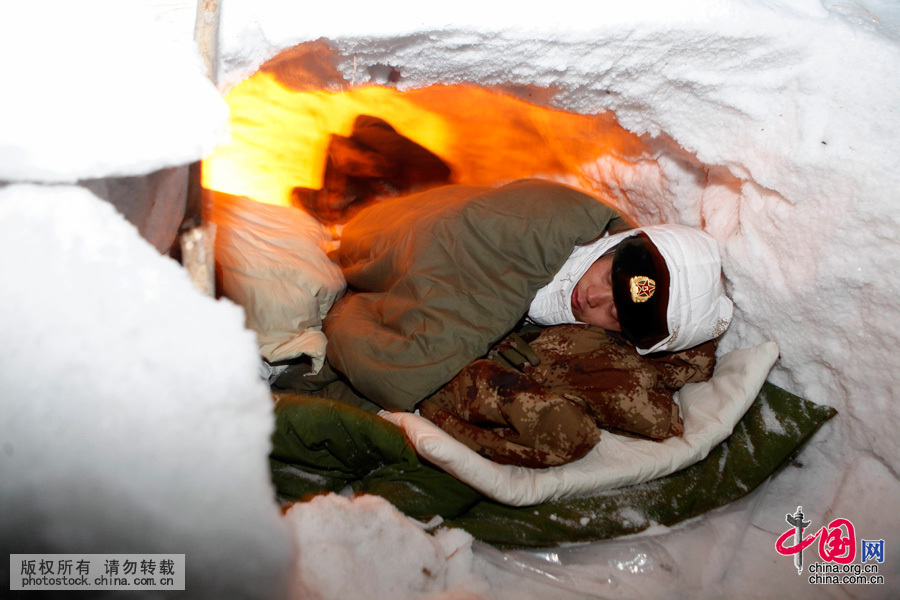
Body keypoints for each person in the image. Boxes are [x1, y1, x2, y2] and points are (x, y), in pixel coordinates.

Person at [419, 223, 734, 468]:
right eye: (610, 278)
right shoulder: (554, 233)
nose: (592, 297)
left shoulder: (587, 348)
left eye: (613, 313)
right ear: (616, 247)